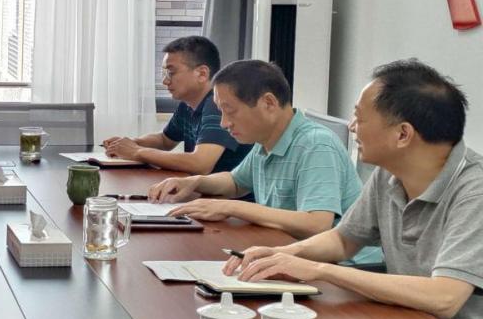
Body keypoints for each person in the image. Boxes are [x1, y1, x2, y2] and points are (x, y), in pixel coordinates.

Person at [225, 60, 483, 319]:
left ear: (402, 134)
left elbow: (445, 297)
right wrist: (284, 255)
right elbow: (343, 239)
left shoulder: (474, 191)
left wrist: (320, 270)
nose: (351, 127)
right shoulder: (389, 173)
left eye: (360, 118)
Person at [149, 59, 363, 241]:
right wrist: (194, 182)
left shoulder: (316, 145)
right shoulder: (265, 140)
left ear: (268, 103)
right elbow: (236, 183)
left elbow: (316, 224)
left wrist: (230, 208)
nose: (224, 123)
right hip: (287, 250)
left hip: (341, 267)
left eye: (230, 111)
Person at [102, 36, 251, 174]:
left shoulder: (218, 105)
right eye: (164, 74)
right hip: (200, 189)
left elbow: (200, 163)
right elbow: (165, 140)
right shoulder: (188, 105)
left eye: (171, 73)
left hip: (226, 193)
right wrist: (130, 144)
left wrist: (136, 152)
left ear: (202, 74)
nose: (165, 81)